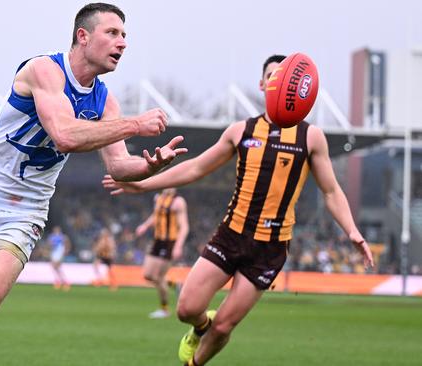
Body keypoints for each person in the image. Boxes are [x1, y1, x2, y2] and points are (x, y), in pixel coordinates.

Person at [0, 3, 188, 365]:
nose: (123, 43)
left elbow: (119, 166)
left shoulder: (104, 100)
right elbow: (64, 134)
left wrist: (150, 166)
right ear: (83, 36)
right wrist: (134, 124)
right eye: (113, 33)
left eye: (125, 35)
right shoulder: (44, 70)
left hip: (22, 213)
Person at [103, 54, 374, 366]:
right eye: (273, 76)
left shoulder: (310, 137)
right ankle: (200, 328)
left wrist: (352, 231)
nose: (279, 83)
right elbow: (195, 169)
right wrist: (142, 183)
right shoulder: (240, 131)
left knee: (225, 325)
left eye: (285, 78)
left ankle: (193, 363)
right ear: (263, 85)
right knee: (187, 310)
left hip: (270, 248)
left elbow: (331, 190)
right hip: (231, 235)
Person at [135, 188, 189, 319]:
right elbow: (156, 215)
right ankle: (174, 284)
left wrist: (178, 246)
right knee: (148, 275)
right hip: (157, 240)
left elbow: (184, 226)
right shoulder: (158, 198)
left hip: (169, 242)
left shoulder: (178, 202)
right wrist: (145, 226)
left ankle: (164, 309)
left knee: (158, 277)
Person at [46, 225, 71, 290]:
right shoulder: (52, 237)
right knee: (55, 267)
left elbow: (67, 243)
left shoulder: (62, 237)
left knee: (56, 267)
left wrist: (66, 250)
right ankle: (61, 281)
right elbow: (49, 244)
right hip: (54, 253)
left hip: (59, 252)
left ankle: (64, 282)